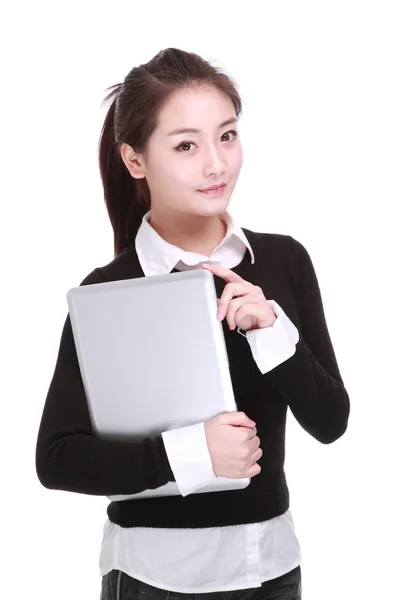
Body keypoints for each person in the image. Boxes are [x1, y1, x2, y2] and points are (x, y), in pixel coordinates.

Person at [35, 48, 350, 600]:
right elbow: (58, 458)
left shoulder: (283, 262)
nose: (216, 164)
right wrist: (191, 456)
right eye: (186, 145)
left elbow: (331, 420)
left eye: (227, 135)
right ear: (135, 161)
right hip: (154, 579)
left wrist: (272, 335)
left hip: (272, 572)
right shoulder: (108, 289)